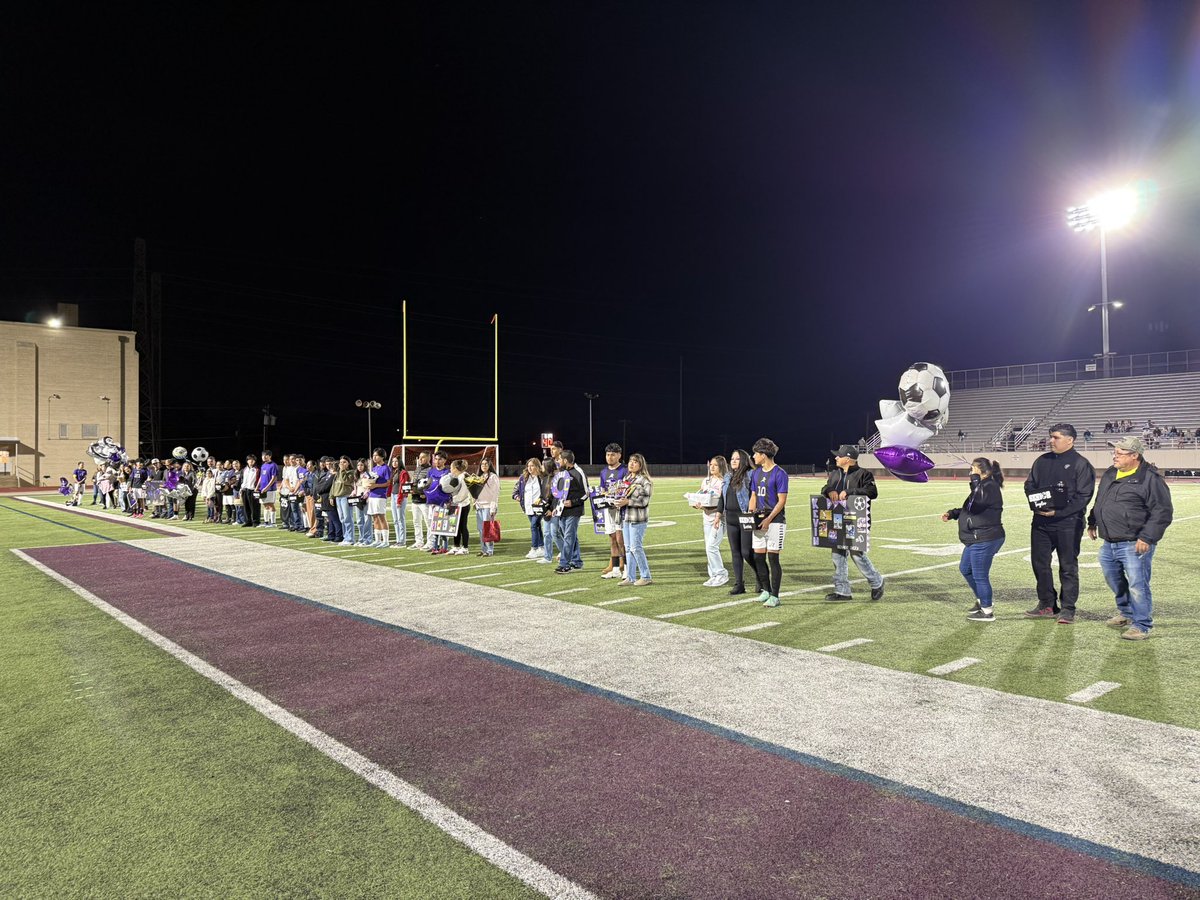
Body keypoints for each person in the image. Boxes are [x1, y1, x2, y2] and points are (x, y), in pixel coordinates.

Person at [1087, 437, 1173, 641]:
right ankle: (1126, 613)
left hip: (1135, 542)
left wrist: (1147, 537)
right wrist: (1092, 521)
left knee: (1138, 585)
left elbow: (1162, 511)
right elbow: (1101, 500)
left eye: (1120, 453)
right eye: (1114, 452)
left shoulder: (1150, 478)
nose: (1115, 456)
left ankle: (1141, 624)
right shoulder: (1110, 472)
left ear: (1135, 455)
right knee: (1114, 579)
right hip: (1109, 542)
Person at [1022, 423, 1096, 623]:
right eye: (1051, 437)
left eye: (1056, 437)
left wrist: (1058, 512)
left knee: (1068, 566)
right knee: (1040, 564)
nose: (1051, 441)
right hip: (1040, 522)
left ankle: (1068, 609)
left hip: (1068, 523)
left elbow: (1084, 496)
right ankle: (1047, 604)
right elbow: (1029, 485)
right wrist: (1035, 503)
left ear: (1069, 440)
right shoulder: (1042, 460)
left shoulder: (1081, 464)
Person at [942, 458, 1006, 621]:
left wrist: (975, 479)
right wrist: (953, 513)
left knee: (980, 575)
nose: (970, 472)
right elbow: (969, 507)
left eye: (973, 469)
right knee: (965, 569)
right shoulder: (984, 486)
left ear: (980, 471)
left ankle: (987, 610)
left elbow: (977, 504)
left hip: (985, 537)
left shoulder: (989, 486)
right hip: (976, 537)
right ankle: (982, 600)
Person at [821, 444, 884, 603]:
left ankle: (877, 582)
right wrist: (829, 491)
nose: (836, 458)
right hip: (837, 520)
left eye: (839, 455)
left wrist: (849, 492)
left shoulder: (865, 474)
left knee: (856, 553)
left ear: (847, 459)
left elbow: (872, 493)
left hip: (858, 521)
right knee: (837, 554)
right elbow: (825, 487)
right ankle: (842, 591)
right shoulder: (835, 473)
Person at [748, 437, 789, 608]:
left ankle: (775, 595)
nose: (753, 457)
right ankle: (766, 590)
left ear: (763, 455)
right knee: (758, 557)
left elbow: (781, 501)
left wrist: (768, 519)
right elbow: (754, 496)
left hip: (775, 522)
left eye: (755, 454)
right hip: (758, 522)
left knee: (773, 559)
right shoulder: (756, 473)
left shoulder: (780, 474)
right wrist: (750, 516)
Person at [723, 449, 758, 597]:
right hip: (730, 519)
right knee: (735, 553)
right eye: (732, 459)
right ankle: (739, 584)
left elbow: (754, 495)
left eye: (737, 459)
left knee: (746, 552)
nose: (733, 461)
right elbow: (721, 496)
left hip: (745, 517)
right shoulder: (727, 476)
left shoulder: (750, 475)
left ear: (744, 460)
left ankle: (761, 577)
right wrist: (719, 513)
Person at [692, 456, 729, 587]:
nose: (712, 467)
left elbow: (724, 502)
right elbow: (702, 496)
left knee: (711, 546)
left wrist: (711, 508)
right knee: (709, 547)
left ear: (721, 467)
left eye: (715, 465)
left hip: (719, 518)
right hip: (706, 518)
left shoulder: (725, 482)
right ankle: (713, 575)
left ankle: (721, 574)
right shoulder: (706, 481)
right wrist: (697, 503)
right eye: (711, 465)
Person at [617, 453, 653, 586]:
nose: (632, 464)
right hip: (626, 517)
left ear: (641, 465)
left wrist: (628, 501)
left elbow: (644, 501)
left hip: (638, 519)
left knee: (636, 548)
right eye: (631, 461)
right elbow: (621, 496)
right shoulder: (627, 479)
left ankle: (646, 576)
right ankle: (631, 577)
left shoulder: (644, 480)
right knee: (628, 549)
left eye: (635, 462)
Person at [551, 449, 587, 573]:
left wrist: (573, 502)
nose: (558, 461)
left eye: (560, 459)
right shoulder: (562, 473)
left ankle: (564, 563)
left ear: (565, 460)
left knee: (569, 536)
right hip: (562, 510)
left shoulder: (578, 472)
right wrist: (556, 507)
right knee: (571, 536)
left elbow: (586, 493)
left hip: (574, 510)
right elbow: (558, 493)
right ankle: (577, 561)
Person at [598, 443, 628, 580]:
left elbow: (627, 489)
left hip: (620, 509)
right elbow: (602, 489)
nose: (610, 457)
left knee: (621, 539)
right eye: (608, 454)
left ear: (619, 455)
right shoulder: (603, 472)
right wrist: (603, 494)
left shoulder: (624, 470)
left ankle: (627, 568)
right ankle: (615, 569)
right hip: (608, 509)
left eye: (613, 454)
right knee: (612, 539)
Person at [513, 457, 546, 559]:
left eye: (532, 466)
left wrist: (542, 500)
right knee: (537, 526)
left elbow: (546, 491)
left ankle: (534, 549)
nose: (530, 468)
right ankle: (541, 548)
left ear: (537, 466)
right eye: (528, 466)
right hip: (527, 507)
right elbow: (516, 490)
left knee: (533, 526)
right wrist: (517, 497)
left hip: (539, 507)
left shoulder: (542, 478)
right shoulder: (523, 478)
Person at [441, 459, 473, 555]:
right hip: (456, 504)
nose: (450, 469)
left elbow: (463, 494)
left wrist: (452, 500)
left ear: (455, 468)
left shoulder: (464, 477)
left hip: (463, 505)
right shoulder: (458, 477)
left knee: (463, 527)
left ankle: (465, 548)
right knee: (455, 527)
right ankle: (456, 546)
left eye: (451, 467)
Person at [424, 451, 452, 554]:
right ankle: (435, 546)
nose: (437, 461)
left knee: (443, 524)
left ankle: (445, 546)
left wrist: (449, 500)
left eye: (440, 459)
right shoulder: (430, 471)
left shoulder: (448, 472)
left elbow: (451, 488)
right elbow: (428, 485)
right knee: (434, 525)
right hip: (433, 502)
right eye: (435, 459)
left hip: (444, 501)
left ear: (445, 460)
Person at [473, 457, 500, 557]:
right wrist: (475, 502)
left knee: (488, 529)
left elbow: (495, 493)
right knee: (480, 529)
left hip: (488, 506)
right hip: (479, 506)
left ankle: (490, 550)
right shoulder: (478, 477)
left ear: (489, 466)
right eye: (482, 464)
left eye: (486, 464)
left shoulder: (493, 477)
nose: (484, 466)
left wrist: (493, 507)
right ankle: (483, 549)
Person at [365, 448, 391, 548]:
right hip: (372, 495)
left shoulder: (386, 468)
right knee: (375, 517)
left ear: (382, 456)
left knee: (381, 517)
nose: (374, 457)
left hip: (380, 496)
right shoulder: (374, 468)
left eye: (376, 455)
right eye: (373, 455)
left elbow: (388, 483)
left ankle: (386, 541)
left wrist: (376, 486)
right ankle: (377, 540)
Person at [409, 451, 432, 550]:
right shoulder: (417, 469)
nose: (420, 459)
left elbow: (430, 485)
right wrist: (410, 489)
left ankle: (430, 542)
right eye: (420, 457)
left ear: (428, 458)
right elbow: (415, 483)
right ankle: (419, 541)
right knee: (416, 522)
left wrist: (424, 494)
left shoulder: (430, 470)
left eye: (423, 457)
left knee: (428, 522)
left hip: (424, 501)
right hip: (415, 500)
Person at [331, 456, 356, 545]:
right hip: (338, 497)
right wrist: (331, 496)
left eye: (344, 462)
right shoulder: (338, 473)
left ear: (348, 463)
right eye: (341, 462)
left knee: (347, 518)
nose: (342, 464)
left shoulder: (351, 472)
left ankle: (350, 539)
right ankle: (346, 537)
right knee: (342, 518)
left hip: (346, 496)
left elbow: (346, 481)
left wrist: (342, 470)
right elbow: (334, 485)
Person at [388, 453, 409, 549]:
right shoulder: (394, 472)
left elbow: (403, 486)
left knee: (400, 519)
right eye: (393, 461)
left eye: (396, 461)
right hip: (393, 496)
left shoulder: (403, 472)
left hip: (400, 496)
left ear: (400, 462)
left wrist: (399, 499)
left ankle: (402, 541)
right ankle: (398, 540)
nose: (394, 463)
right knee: (395, 520)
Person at [257, 450, 280, 527]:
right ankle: (266, 522)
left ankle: (273, 523)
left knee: (270, 505)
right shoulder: (263, 465)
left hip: (270, 489)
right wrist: (257, 486)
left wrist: (267, 488)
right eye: (263, 455)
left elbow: (274, 478)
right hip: (262, 489)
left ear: (270, 456)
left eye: (266, 455)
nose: (264, 457)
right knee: (265, 505)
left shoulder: (273, 465)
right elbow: (261, 477)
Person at [240, 454, 260, 527]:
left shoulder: (257, 469)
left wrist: (257, 488)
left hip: (253, 490)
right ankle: (248, 521)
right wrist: (241, 489)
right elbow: (242, 480)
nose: (251, 461)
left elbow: (259, 480)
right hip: (245, 490)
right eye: (249, 459)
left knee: (254, 507)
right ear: (247, 461)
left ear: (255, 461)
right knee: (246, 507)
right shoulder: (244, 469)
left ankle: (256, 521)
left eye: (252, 459)